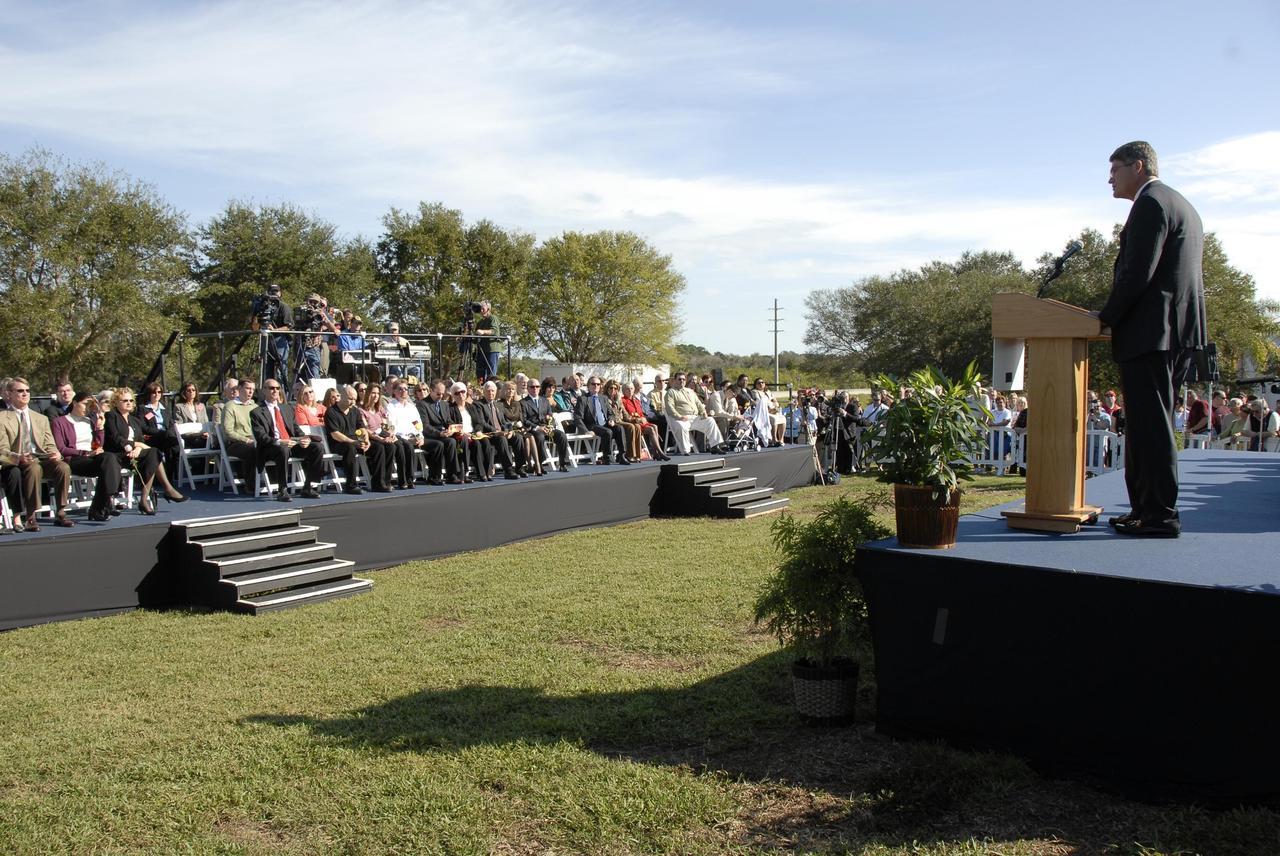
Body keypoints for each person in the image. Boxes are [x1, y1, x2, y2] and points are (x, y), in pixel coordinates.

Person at [1098, 141, 1207, 538]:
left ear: (1138, 166)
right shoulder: (1179, 203)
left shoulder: (1151, 204)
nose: (1110, 178)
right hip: (1168, 331)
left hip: (1153, 333)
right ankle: (1145, 508)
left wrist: (1105, 318)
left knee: (1152, 426)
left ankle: (1160, 514)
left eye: (1115, 169)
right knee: (1145, 425)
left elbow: (1137, 273)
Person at [0, 377, 76, 529]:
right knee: (33, 467)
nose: (25, 394)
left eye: (27, 391)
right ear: (9, 394)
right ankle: (30, 516)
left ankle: (61, 511)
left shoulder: (40, 418)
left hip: (41, 458)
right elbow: (2, 448)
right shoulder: (2, 418)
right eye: (20, 391)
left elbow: (50, 444)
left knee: (62, 467)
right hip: (19, 461)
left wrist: (55, 453)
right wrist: (18, 457)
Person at [103, 386, 187, 513]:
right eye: (125, 400)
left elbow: (141, 440)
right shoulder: (111, 416)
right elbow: (115, 439)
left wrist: (138, 448)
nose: (129, 403)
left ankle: (146, 498)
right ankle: (162, 491)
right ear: (116, 402)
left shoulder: (134, 420)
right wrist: (135, 445)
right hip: (117, 455)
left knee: (153, 453)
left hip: (134, 453)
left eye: (131, 401)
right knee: (153, 454)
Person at [251, 379, 325, 500]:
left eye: (277, 388)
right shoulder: (257, 412)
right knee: (283, 449)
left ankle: (308, 486)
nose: (275, 390)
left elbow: (296, 430)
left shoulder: (287, 409)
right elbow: (261, 437)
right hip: (271, 447)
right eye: (271, 388)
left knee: (317, 447)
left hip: (291, 444)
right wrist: (280, 441)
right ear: (264, 390)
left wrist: (304, 438)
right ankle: (282, 490)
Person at [52, 391, 120, 522]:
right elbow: (61, 449)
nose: (88, 408)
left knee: (109, 458)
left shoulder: (90, 421)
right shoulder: (60, 422)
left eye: (91, 405)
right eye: (85, 404)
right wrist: (85, 453)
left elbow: (98, 445)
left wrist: (100, 429)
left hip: (91, 458)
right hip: (74, 459)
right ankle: (106, 503)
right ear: (75, 403)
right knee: (107, 465)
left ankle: (105, 501)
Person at [323, 384, 378, 494]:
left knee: (378, 447)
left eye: (354, 399)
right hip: (338, 443)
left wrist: (366, 440)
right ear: (341, 396)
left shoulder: (355, 411)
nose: (353, 402)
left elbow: (362, 428)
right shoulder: (331, 412)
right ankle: (351, 485)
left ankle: (379, 482)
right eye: (350, 399)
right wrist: (354, 442)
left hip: (356, 441)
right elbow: (335, 434)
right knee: (350, 448)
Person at [663, 372, 724, 454]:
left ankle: (715, 446)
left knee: (710, 421)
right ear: (675, 380)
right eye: (679, 379)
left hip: (694, 417)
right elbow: (670, 408)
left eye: (683, 379)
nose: (682, 381)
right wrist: (679, 417)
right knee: (681, 426)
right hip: (681, 418)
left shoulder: (690, 391)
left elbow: (698, 403)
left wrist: (703, 412)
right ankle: (686, 451)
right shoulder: (671, 392)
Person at [575, 376, 629, 465]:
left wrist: (611, 420)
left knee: (619, 428)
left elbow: (610, 413)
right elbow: (577, 417)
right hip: (592, 425)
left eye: (598, 384)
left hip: (604, 424)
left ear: (600, 386)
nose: (596, 386)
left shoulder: (603, 398)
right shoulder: (583, 399)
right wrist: (585, 431)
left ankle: (622, 456)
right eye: (593, 384)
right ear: (588, 386)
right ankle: (606, 457)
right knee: (608, 432)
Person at [358, 383, 398, 491]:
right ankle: (377, 483)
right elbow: (366, 429)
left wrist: (391, 434)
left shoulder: (380, 409)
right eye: (373, 393)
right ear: (367, 394)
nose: (375, 396)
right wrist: (381, 439)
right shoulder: (361, 410)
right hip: (369, 438)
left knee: (391, 446)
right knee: (380, 447)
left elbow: (386, 425)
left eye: (377, 393)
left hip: (381, 435)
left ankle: (386, 481)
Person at [525, 377, 570, 471]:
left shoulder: (544, 400)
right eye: (532, 387)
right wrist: (538, 427)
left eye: (537, 386)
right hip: (534, 429)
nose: (535, 389)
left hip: (547, 428)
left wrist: (549, 423)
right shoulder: (523, 402)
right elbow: (525, 420)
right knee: (540, 437)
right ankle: (540, 464)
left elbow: (549, 414)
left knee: (561, 435)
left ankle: (563, 463)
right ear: (528, 388)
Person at [621, 379, 670, 461]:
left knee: (654, 426)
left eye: (631, 388)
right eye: (627, 389)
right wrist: (639, 419)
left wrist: (643, 418)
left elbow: (641, 413)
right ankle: (659, 453)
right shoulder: (623, 401)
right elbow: (625, 416)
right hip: (633, 423)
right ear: (623, 391)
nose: (630, 390)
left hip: (642, 422)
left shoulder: (636, 400)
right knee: (651, 429)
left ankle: (656, 453)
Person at [472, 300, 502, 381]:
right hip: (481, 351)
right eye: (480, 309)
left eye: (483, 309)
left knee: (491, 373)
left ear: (488, 309)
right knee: (480, 373)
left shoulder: (493, 318)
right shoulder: (480, 322)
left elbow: (494, 331)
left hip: (491, 349)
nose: (481, 311)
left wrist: (483, 332)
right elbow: (475, 339)